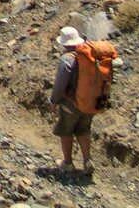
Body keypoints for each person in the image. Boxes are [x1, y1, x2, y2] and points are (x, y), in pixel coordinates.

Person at [51, 25, 93, 175]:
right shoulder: (89, 56)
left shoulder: (66, 59)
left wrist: (54, 100)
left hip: (70, 103)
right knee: (83, 130)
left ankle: (68, 163)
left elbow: (60, 83)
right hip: (89, 102)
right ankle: (87, 160)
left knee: (66, 131)